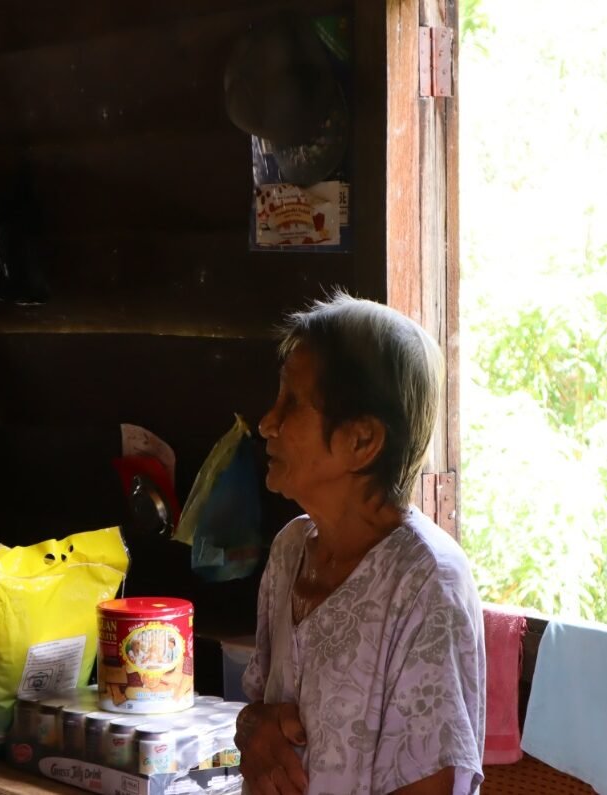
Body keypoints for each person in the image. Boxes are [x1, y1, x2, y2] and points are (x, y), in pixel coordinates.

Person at [234, 294, 485, 795]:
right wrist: (252, 729)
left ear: (362, 441)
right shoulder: (290, 551)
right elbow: (263, 712)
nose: (267, 423)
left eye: (292, 404)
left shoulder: (426, 583)